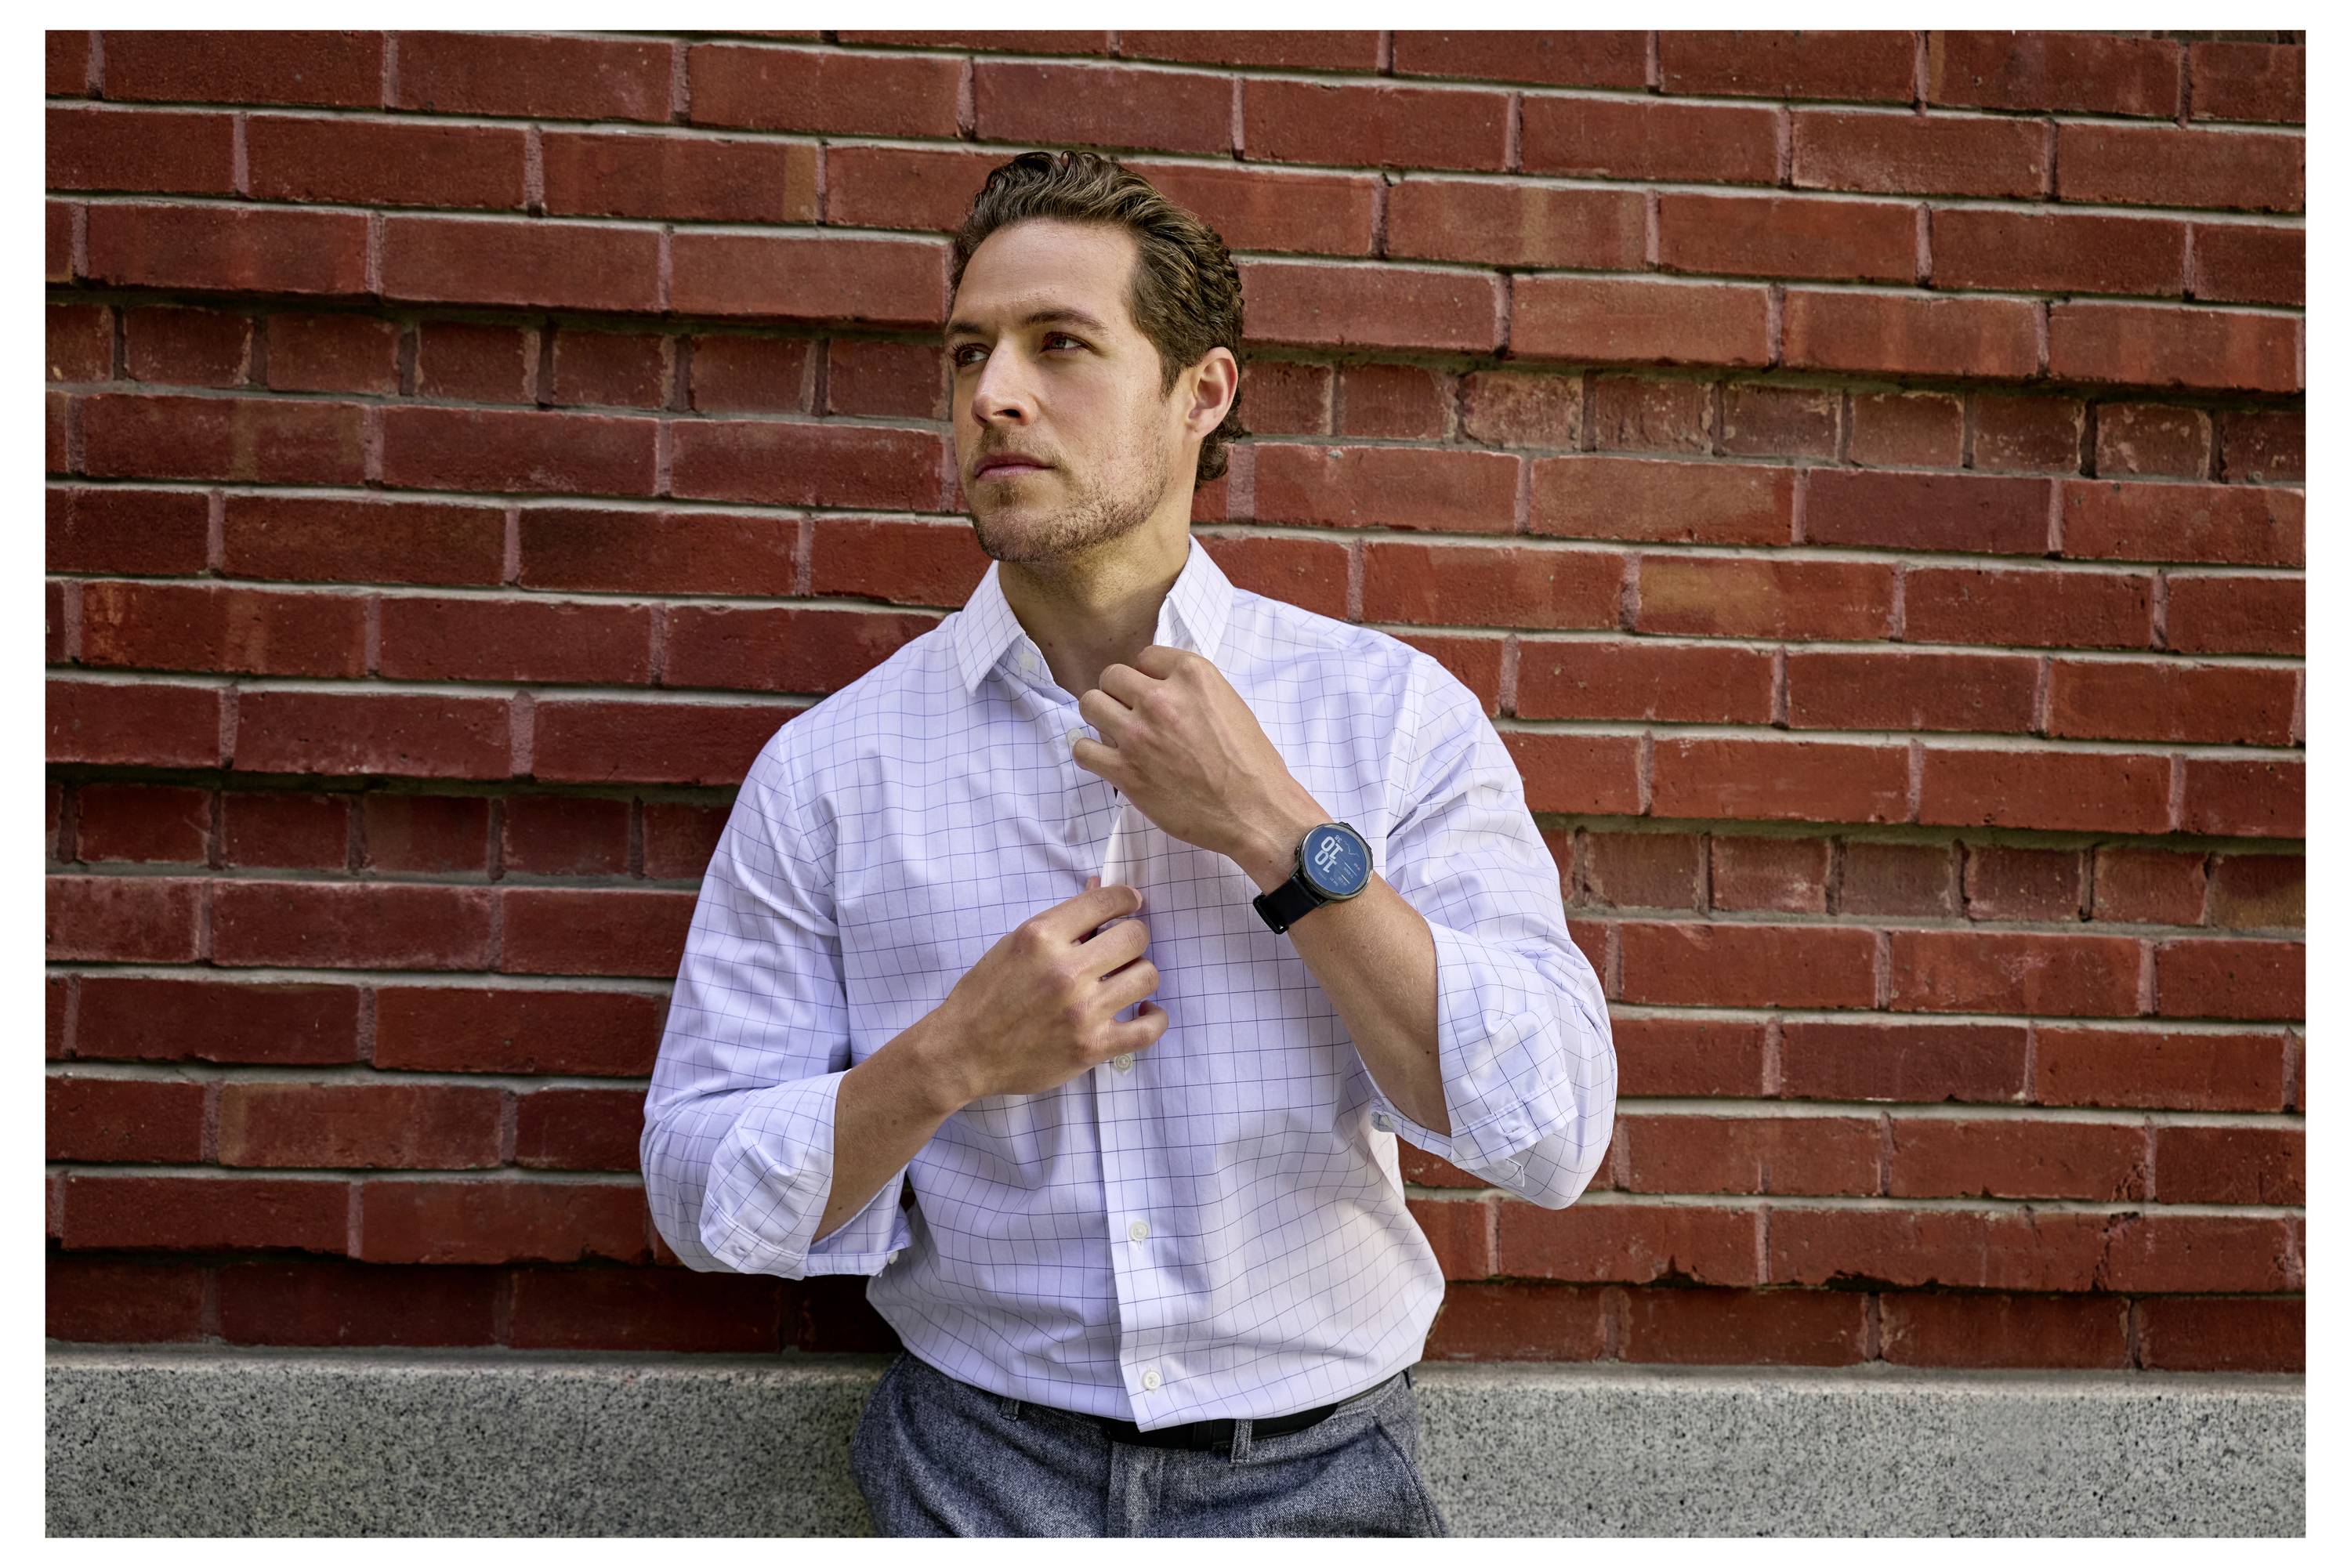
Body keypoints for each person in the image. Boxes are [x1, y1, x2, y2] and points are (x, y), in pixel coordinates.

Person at [639, 148, 1618, 1538]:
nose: (994, 395)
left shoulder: (1388, 717)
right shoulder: (833, 771)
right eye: (968, 351)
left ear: (1200, 394)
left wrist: (1278, 833)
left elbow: (1556, 1129)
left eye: (1061, 345)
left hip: (1320, 1481)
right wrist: (949, 1058)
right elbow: (697, 1189)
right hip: (970, 1472)